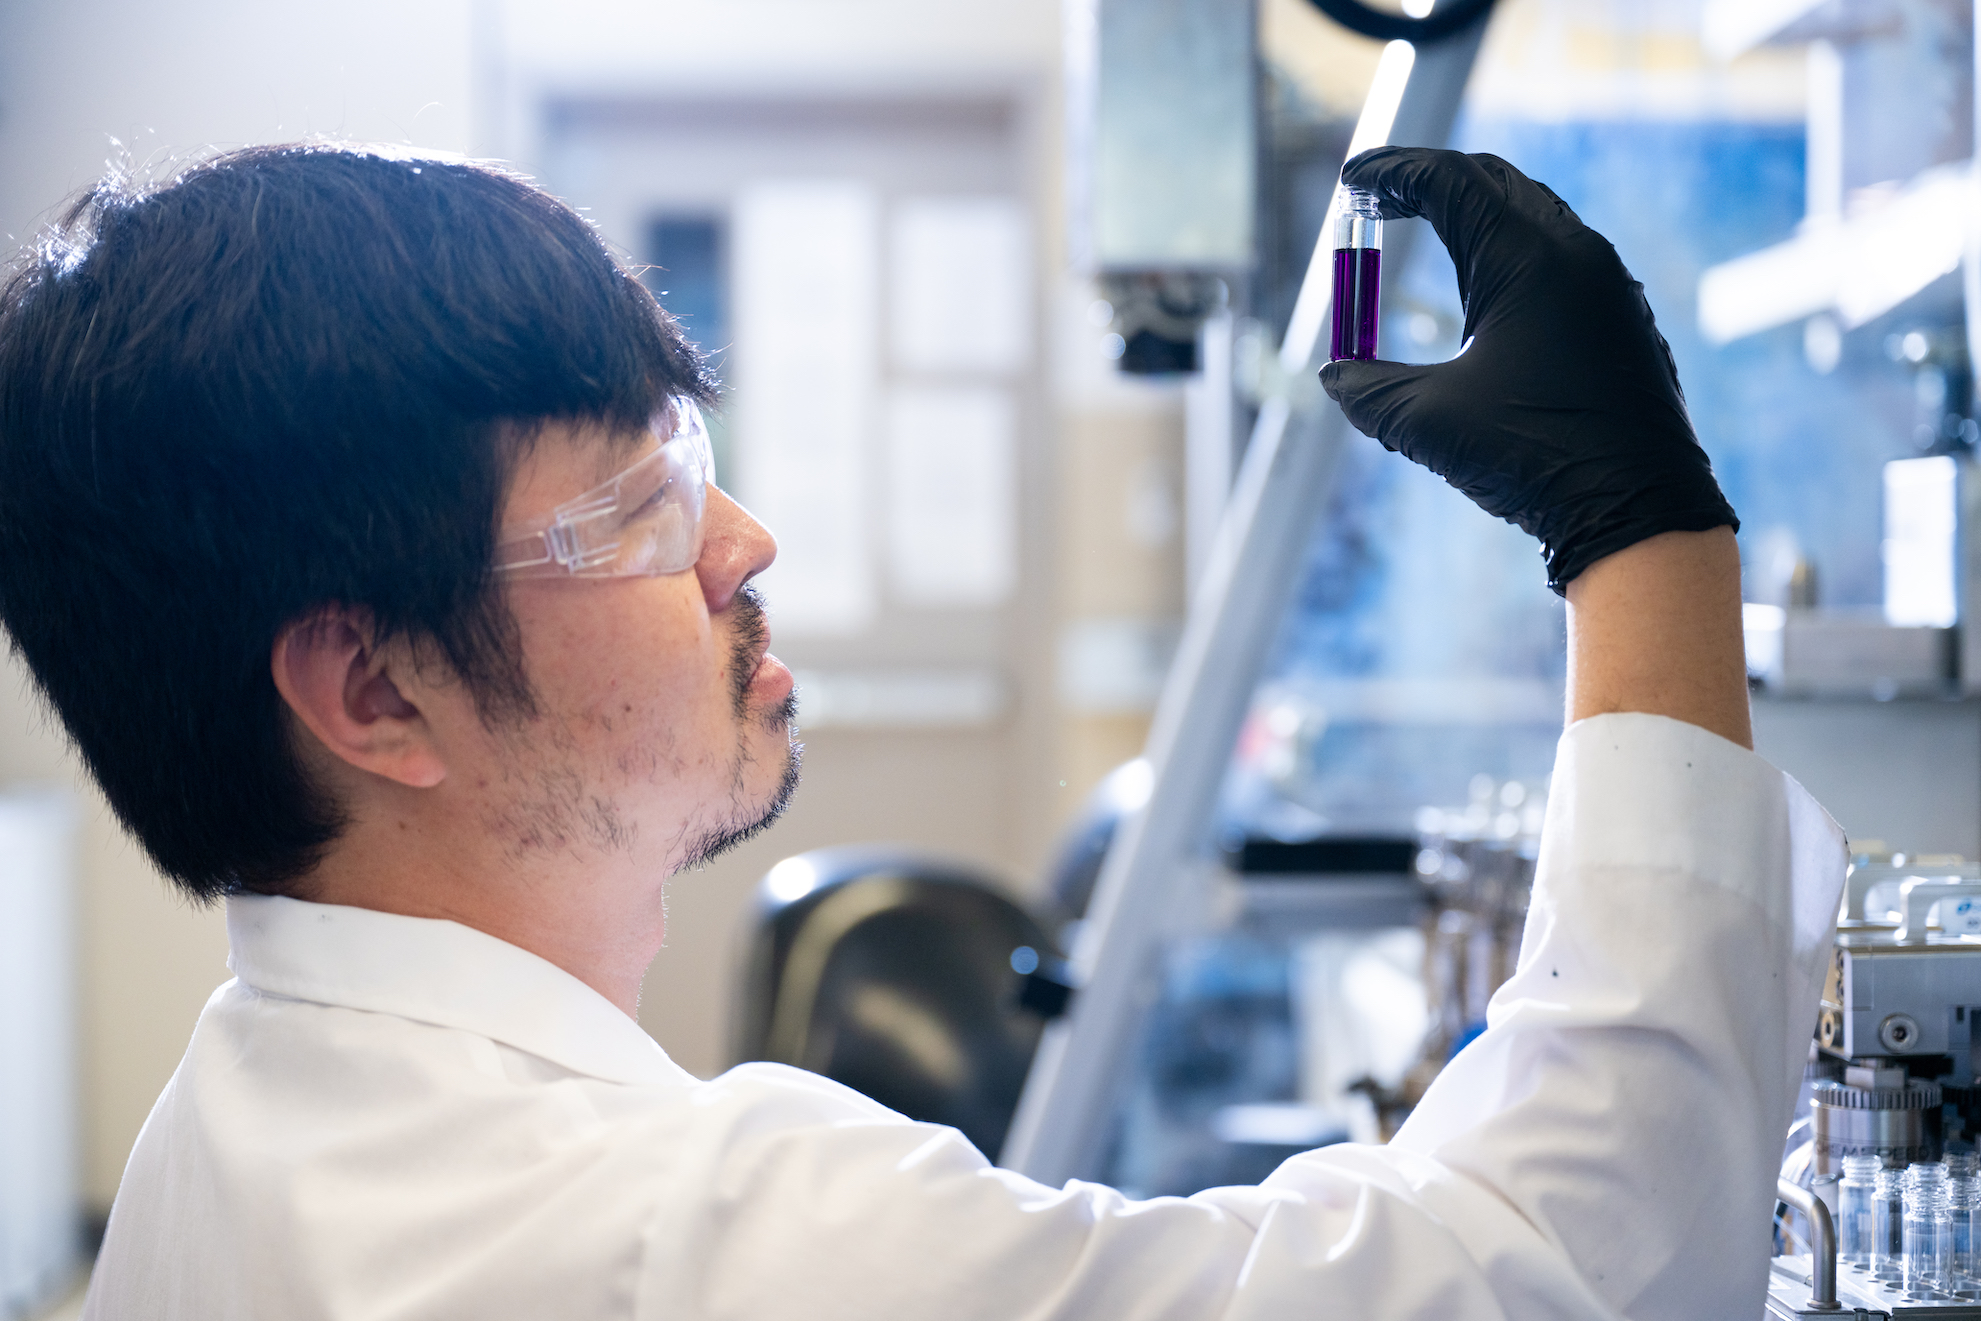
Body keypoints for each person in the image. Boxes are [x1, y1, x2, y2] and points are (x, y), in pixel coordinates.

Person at [0, 141, 1842, 1320]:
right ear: (374, 690)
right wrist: (1639, 528)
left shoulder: (225, 1125)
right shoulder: (685, 1241)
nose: (743, 546)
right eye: (632, 511)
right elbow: (1573, 1275)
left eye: (692, 464)